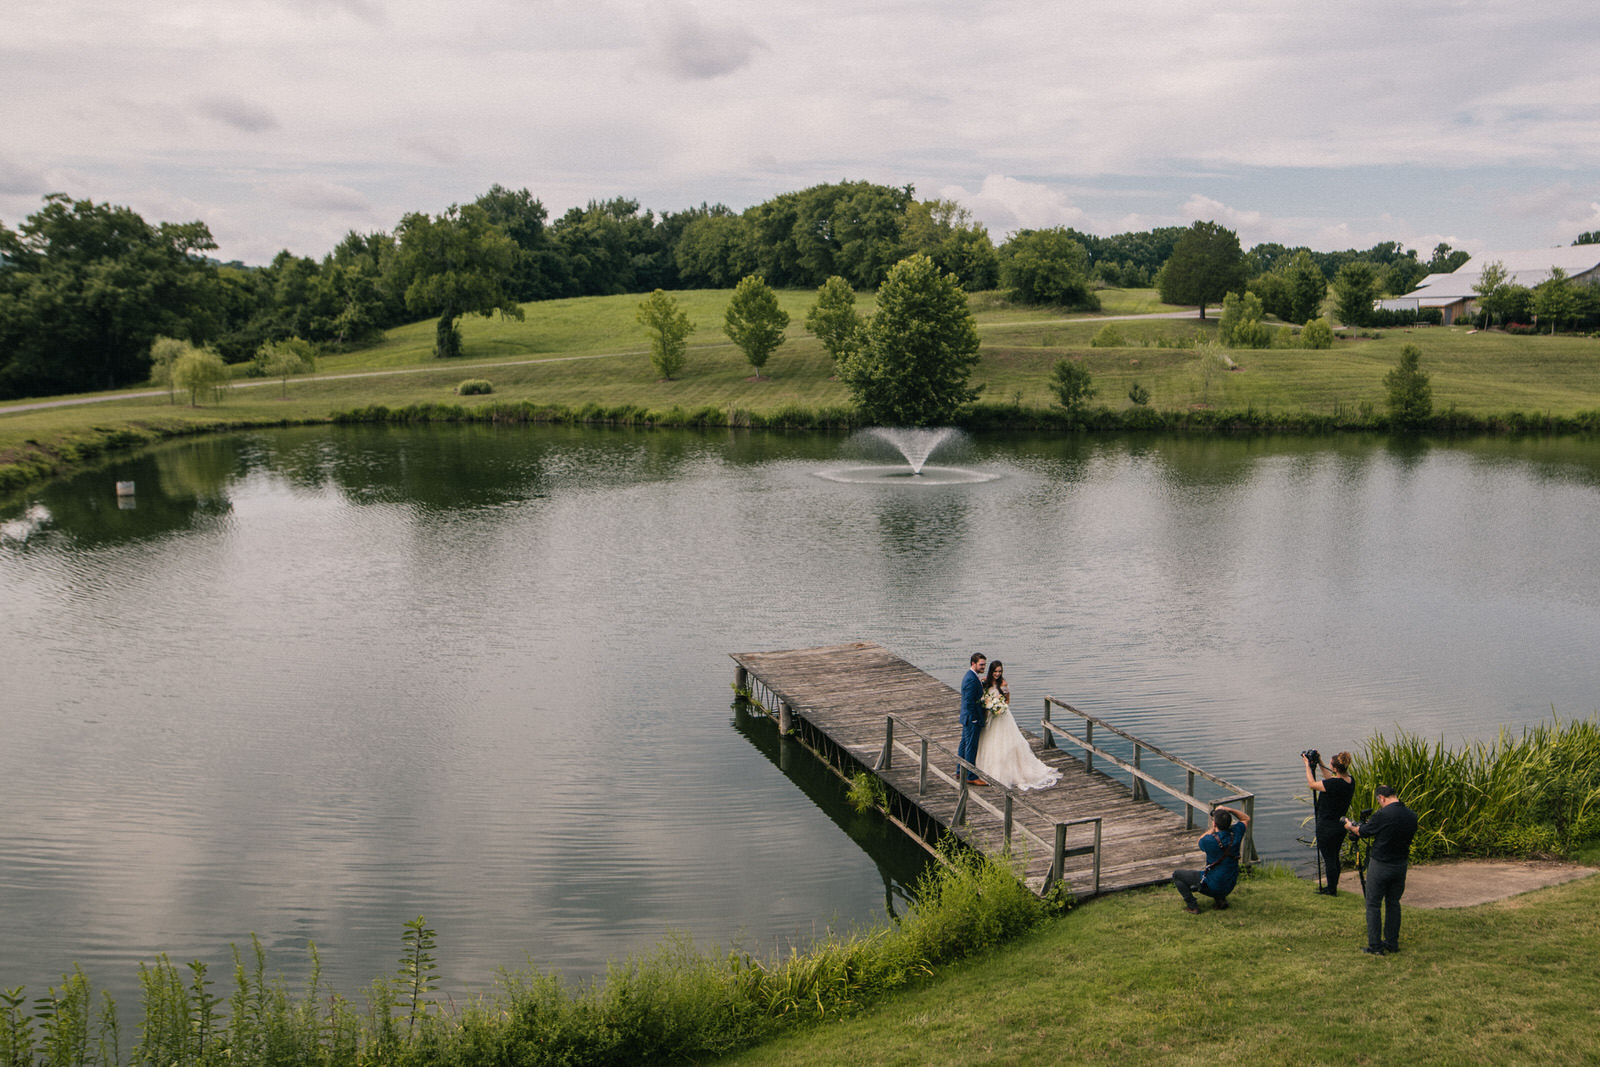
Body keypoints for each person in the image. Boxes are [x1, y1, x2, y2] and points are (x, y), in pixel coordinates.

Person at [1344, 784, 1418, 955]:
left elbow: (1363, 831)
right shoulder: (1411, 816)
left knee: (1373, 905)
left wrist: (1349, 826)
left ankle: (1375, 946)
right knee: (1393, 903)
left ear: (1382, 798)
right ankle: (1392, 942)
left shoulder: (1382, 814)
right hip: (1400, 864)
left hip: (1380, 864)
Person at [974, 661, 1061, 790]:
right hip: (990, 716)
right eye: (995, 671)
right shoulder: (984, 682)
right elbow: (983, 697)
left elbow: (1008, 699)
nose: (998, 674)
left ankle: (1009, 771)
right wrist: (989, 707)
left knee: (1005, 742)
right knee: (988, 741)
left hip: (1002, 715)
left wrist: (1000, 706)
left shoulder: (1003, 684)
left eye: (1000, 671)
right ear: (991, 671)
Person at [1173, 804, 1250, 913]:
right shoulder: (1236, 833)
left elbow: (1200, 840)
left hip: (1213, 885)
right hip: (1230, 884)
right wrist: (1229, 809)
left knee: (1177, 875)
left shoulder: (1209, 841)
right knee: (1220, 872)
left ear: (1214, 823)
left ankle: (1192, 906)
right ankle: (1221, 901)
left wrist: (1212, 829)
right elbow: (1245, 818)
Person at [1305, 750, 1354, 895]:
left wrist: (1307, 765)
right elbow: (1330, 779)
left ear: (1335, 768)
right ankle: (1333, 886)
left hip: (1326, 826)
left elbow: (1312, 784)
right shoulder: (1350, 781)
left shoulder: (1334, 783)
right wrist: (1320, 762)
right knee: (1334, 856)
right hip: (1340, 825)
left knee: (1329, 858)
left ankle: (1331, 889)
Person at [958, 652, 988, 785]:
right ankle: (971, 776)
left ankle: (960, 770)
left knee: (964, 743)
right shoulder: (971, 679)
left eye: (984, 665)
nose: (983, 667)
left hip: (967, 717)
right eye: (981, 665)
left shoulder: (972, 676)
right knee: (971, 746)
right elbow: (970, 702)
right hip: (972, 719)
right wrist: (975, 719)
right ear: (973, 664)